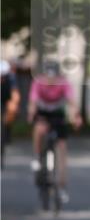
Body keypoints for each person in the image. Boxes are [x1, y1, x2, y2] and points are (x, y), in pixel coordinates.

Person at [27, 59, 81, 204]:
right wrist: (31, 114)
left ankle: (62, 186)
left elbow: (72, 102)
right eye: (48, 76)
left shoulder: (63, 83)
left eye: (53, 76)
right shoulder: (38, 82)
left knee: (62, 148)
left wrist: (75, 116)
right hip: (43, 113)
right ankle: (38, 156)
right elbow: (33, 102)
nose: (50, 80)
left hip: (58, 114)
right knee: (39, 129)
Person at [1, 60, 21, 167]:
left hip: (6, 101)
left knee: (11, 111)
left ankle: (7, 131)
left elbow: (15, 94)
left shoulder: (11, 78)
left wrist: (14, 105)